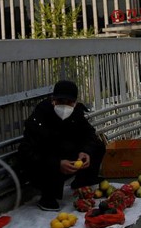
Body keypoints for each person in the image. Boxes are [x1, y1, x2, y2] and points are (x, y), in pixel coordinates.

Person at [17, 80, 106, 211]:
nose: (64, 106)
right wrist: (56, 163)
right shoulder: (39, 117)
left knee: (98, 145)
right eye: (60, 101)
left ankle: (84, 180)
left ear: (75, 103)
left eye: (69, 103)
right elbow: (27, 152)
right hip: (45, 161)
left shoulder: (76, 113)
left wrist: (85, 151)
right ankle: (47, 196)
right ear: (53, 100)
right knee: (47, 159)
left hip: (66, 155)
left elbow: (89, 134)